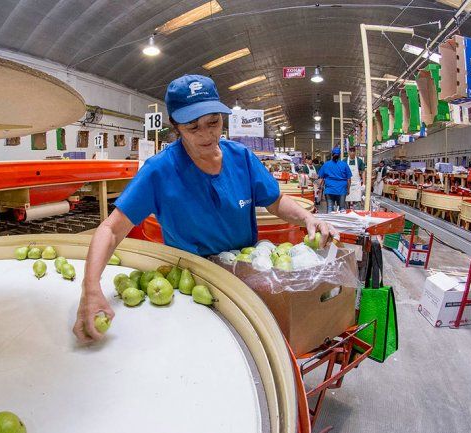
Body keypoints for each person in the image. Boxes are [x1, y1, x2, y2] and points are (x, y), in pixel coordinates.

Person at [73, 75, 339, 343]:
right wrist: (91, 287)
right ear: (176, 127)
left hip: (244, 275)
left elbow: (275, 200)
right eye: (193, 127)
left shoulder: (241, 157)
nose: (207, 134)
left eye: (214, 122)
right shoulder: (160, 171)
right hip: (192, 283)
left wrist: (307, 217)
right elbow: (111, 229)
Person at [318, 147, 352, 212]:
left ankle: (330, 221)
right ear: (339, 155)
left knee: (330, 208)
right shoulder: (344, 165)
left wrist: (320, 188)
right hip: (341, 190)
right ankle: (340, 221)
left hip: (329, 190)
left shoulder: (326, 164)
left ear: (332, 154)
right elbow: (349, 179)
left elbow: (321, 178)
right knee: (341, 209)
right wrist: (348, 189)